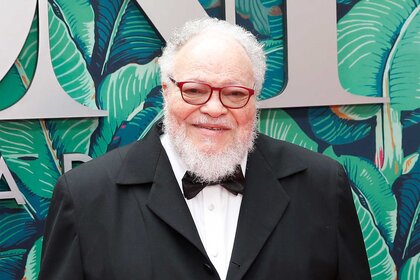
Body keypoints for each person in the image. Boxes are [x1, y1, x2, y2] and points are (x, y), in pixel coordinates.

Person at [39, 18, 371, 280]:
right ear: (166, 91)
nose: (214, 108)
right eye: (195, 90)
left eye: (234, 93)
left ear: (254, 100)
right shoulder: (84, 197)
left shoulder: (323, 185)